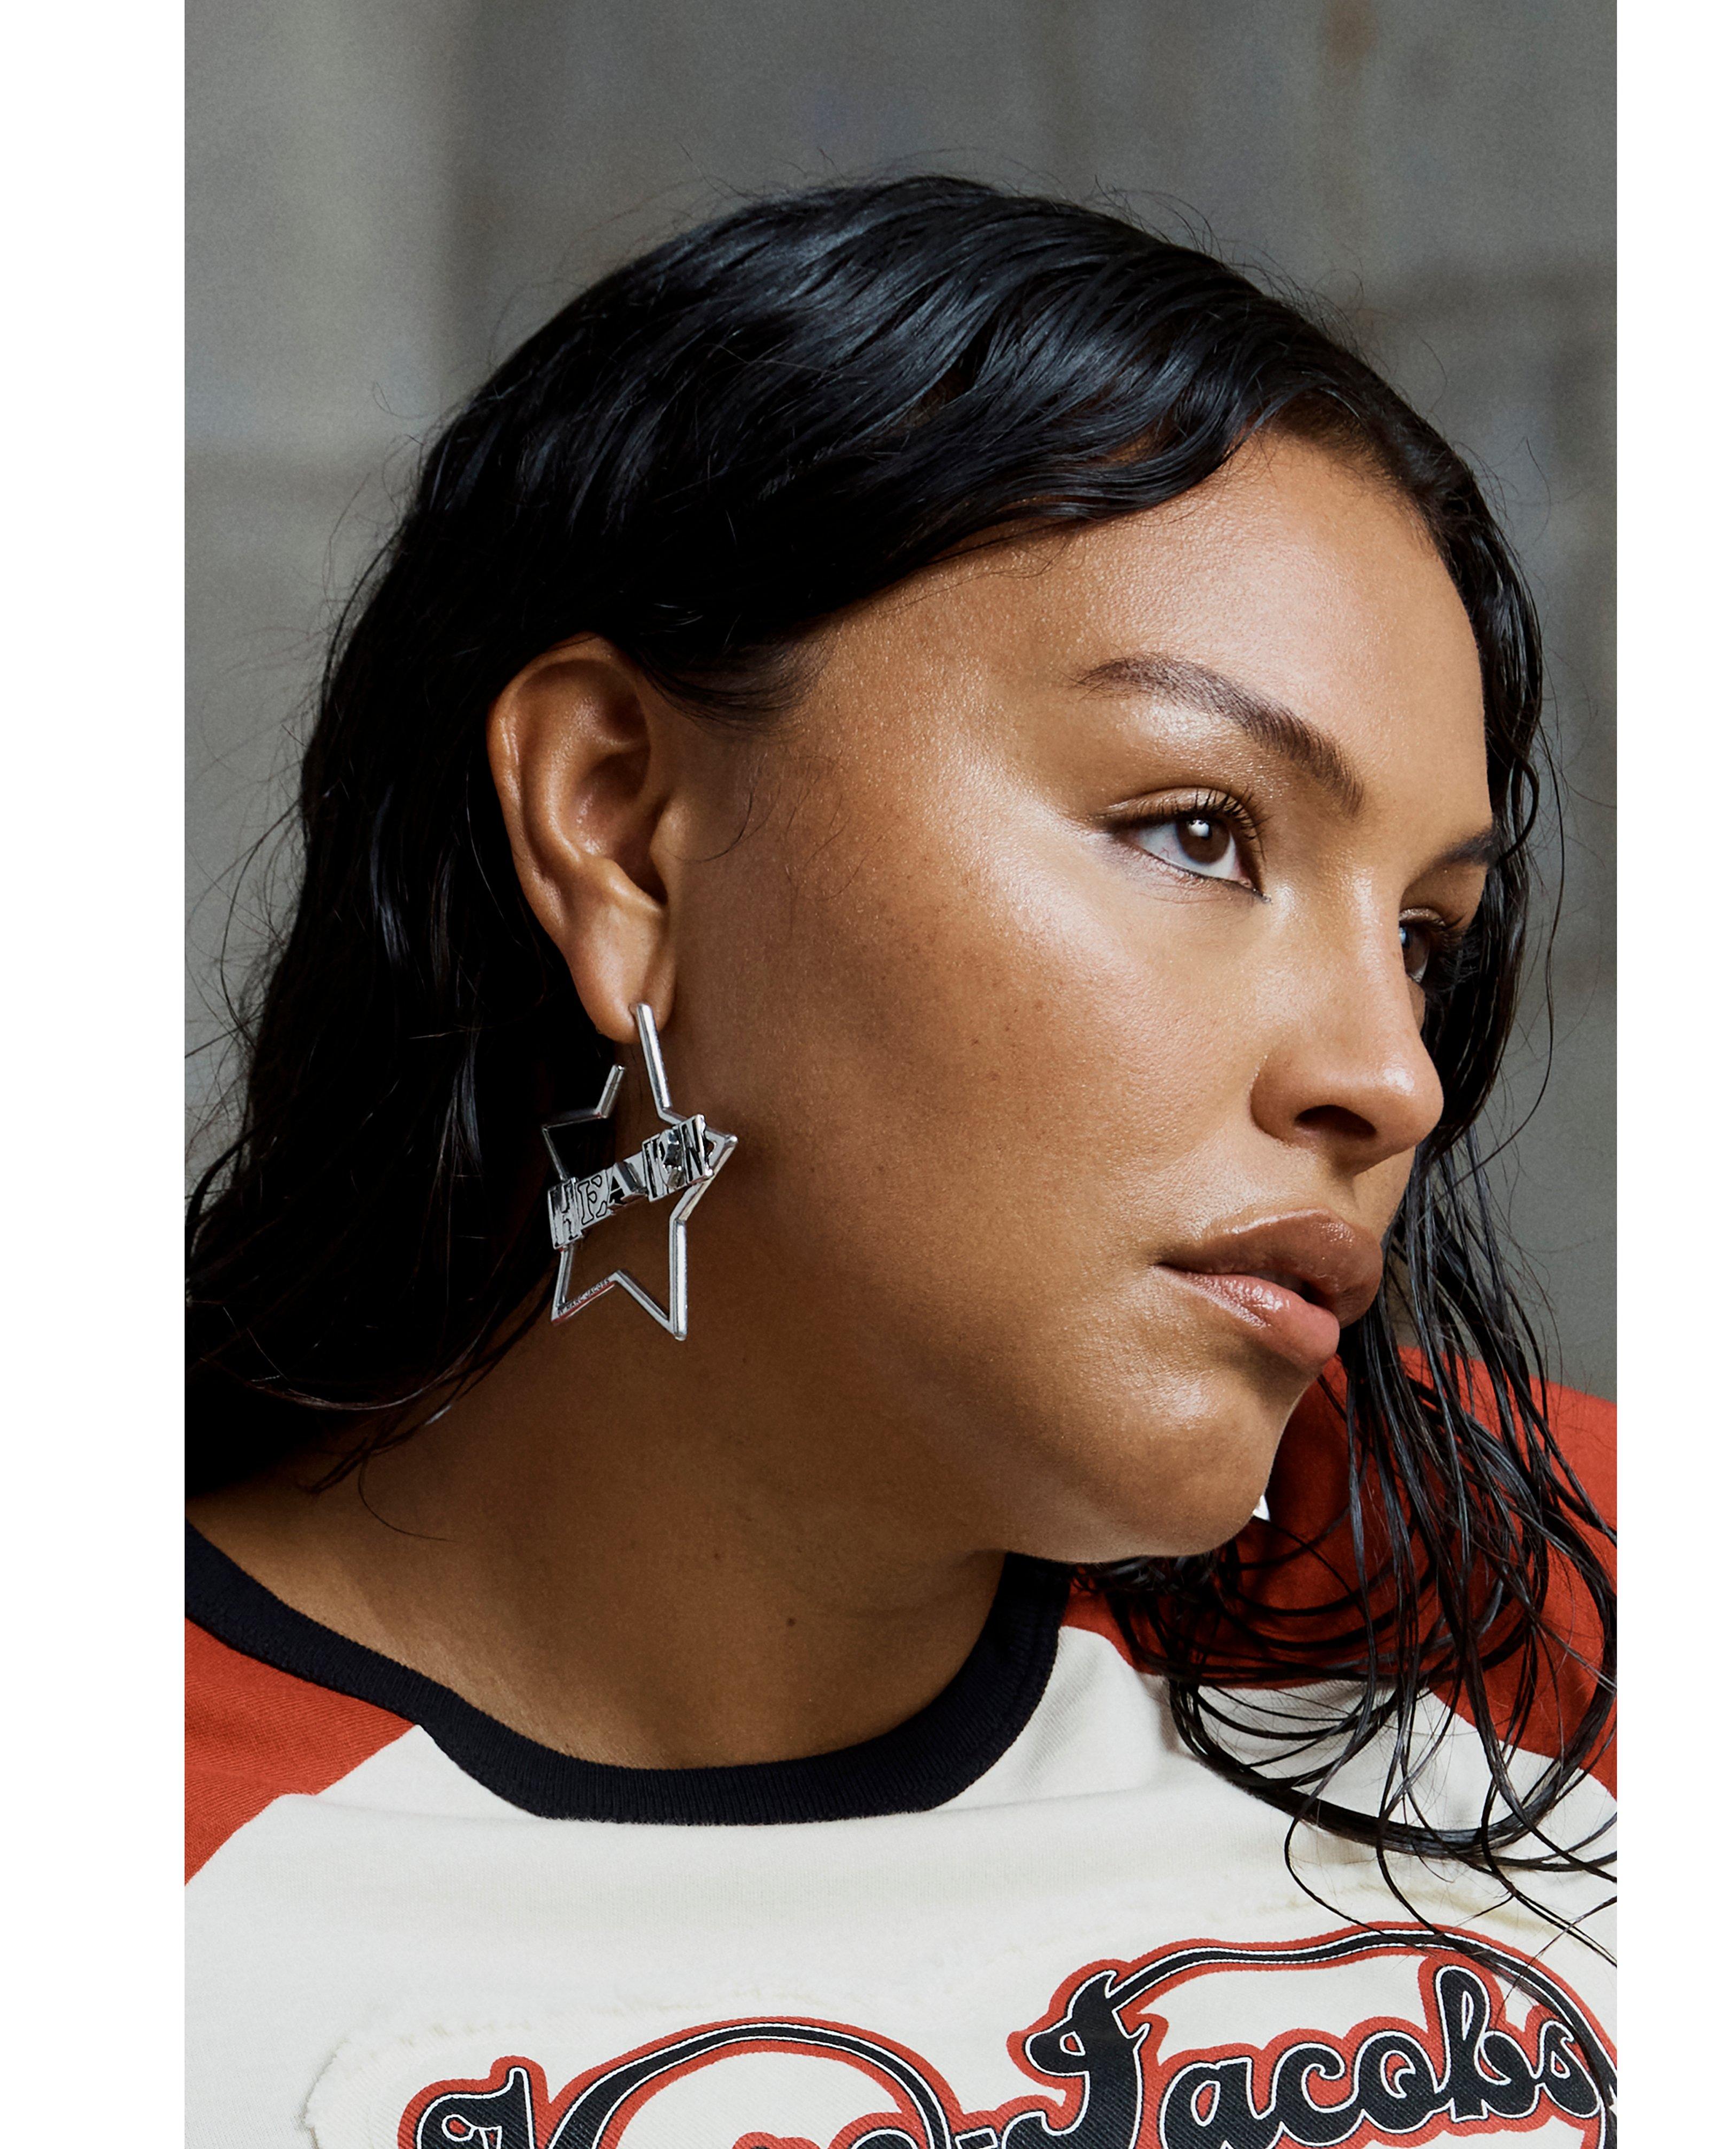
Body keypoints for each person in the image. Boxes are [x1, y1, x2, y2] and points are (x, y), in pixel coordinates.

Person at [185, 177, 1615, 2149]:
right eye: (1199, 831)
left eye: (1426, 938)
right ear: (622, 827)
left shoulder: (1539, 1594)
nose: (1393, 1076)